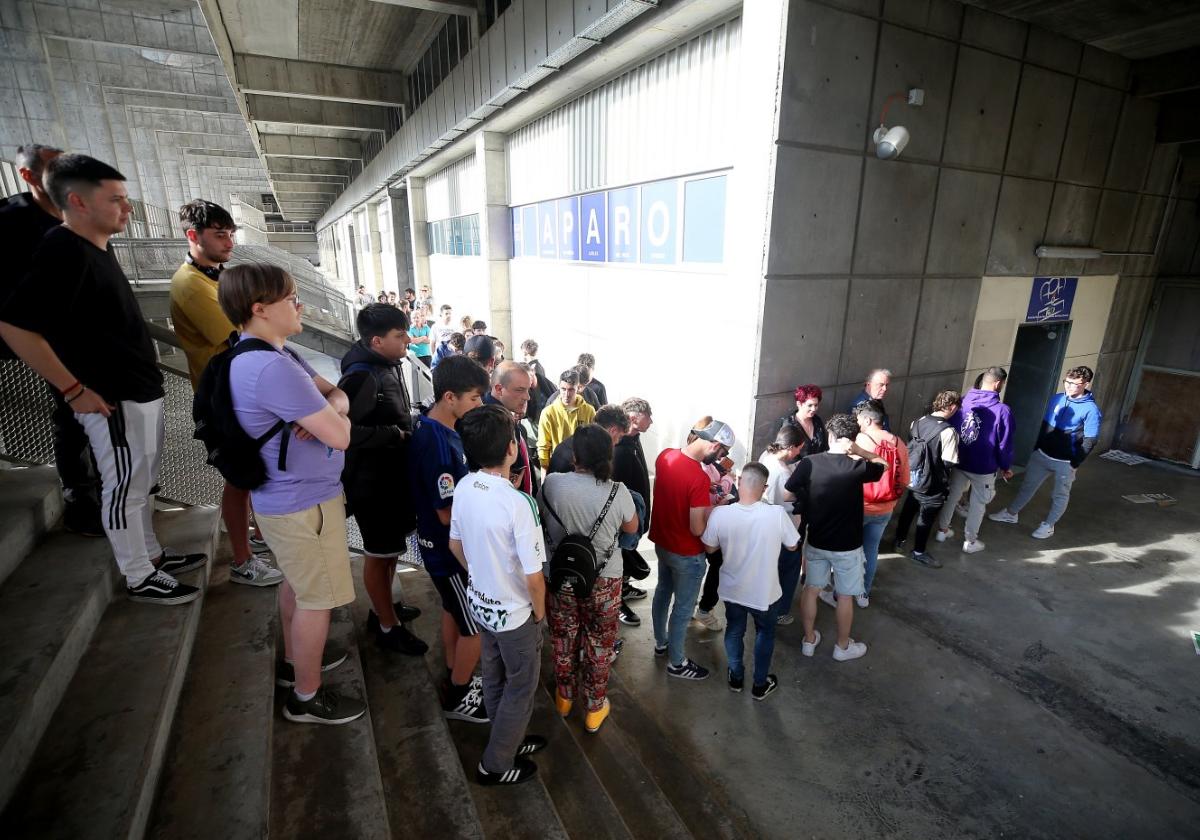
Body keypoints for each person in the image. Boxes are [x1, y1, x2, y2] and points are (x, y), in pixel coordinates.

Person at [0, 154, 206, 605]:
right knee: (124, 488)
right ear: (78, 201)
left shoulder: (96, 246)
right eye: (115, 199)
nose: (127, 208)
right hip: (111, 398)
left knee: (143, 482)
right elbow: (15, 325)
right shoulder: (61, 250)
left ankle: (151, 554)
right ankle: (137, 575)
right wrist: (74, 390)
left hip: (139, 390)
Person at [216, 262, 360, 723]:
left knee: (298, 589)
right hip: (303, 505)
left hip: (290, 500)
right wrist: (337, 418)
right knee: (317, 599)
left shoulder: (270, 352)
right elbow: (341, 437)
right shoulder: (272, 369)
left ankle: (298, 663)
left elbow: (336, 394)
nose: (300, 305)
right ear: (260, 309)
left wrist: (334, 406)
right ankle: (306, 696)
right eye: (291, 298)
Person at [170, 199, 283, 588]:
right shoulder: (191, 284)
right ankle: (241, 560)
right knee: (240, 478)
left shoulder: (214, 276)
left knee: (246, 477)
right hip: (223, 399)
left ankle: (252, 537)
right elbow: (240, 334)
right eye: (220, 234)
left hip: (236, 392)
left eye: (231, 234)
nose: (229, 242)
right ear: (193, 236)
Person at [0, 144, 105, 537]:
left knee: (97, 417)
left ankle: (105, 492)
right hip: (43, 339)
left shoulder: (76, 213)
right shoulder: (11, 221)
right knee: (72, 418)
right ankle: (80, 501)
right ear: (29, 177)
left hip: (83, 336)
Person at [449, 405, 548, 785]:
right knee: (521, 687)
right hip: (516, 614)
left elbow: (455, 544)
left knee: (494, 675)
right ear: (512, 448)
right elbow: (534, 576)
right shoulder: (517, 501)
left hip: (480, 603)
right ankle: (496, 764)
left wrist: (482, 574)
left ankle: (507, 737)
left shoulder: (464, 486)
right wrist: (539, 614)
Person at [339, 303, 427, 656]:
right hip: (372, 484)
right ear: (377, 341)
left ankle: (384, 608)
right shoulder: (362, 376)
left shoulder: (386, 365)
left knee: (391, 551)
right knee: (378, 554)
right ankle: (387, 627)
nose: (408, 339)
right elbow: (343, 430)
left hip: (389, 479)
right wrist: (392, 434)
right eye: (399, 335)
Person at [410, 355, 491, 723]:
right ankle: (459, 694)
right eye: (474, 398)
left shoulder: (441, 427)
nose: (480, 405)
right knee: (474, 626)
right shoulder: (438, 444)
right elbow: (446, 513)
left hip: (443, 550)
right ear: (449, 397)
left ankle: (454, 668)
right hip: (448, 553)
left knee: (452, 611)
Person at [541, 424, 637, 732]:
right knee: (600, 641)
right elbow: (632, 528)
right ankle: (595, 708)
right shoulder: (617, 491)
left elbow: (540, 516)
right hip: (605, 580)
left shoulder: (552, 484)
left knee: (563, 636)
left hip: (561, 577)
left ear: (574, 456)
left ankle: (564, 697)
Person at [786, 413, 886, 662]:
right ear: (852, 439)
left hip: (817, 539)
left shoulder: (809, 463)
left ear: (830, 435)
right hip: (847, 545)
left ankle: (809, 640)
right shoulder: (858, 466)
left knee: (811, 589)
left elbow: (788, 494)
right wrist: (861, 451)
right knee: (844, 595)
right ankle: (842, 647)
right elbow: (882, 464)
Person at [702, 462, 799, 701]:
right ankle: (759, 684)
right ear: (764, 487)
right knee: (765, 634)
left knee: (734, 631)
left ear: (738, 482)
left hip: (733, 589)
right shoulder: (775, 514)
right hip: (765, 592)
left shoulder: (721, 514)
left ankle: (736, 677)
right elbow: (793, 545)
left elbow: (710, 547)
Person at [649, 419, 735, 680]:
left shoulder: (665, 456)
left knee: (662, 593)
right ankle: (677, 662)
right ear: (715, 444)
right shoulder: (698, 477)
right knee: (683, 609)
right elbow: (697, 529)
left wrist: (701, 495)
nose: (721, 458)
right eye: (722, 453)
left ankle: (661, 643)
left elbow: (670, 491)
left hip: (663, 543)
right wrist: (718, 509)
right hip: (687, 553)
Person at [989, 366, 1102, 540]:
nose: (1070, 387)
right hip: (1042, 455)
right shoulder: (1056, 398)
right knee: (1027, 486)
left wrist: (1075, 463)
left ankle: (1049, 525)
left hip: (1065, 462)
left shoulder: (1091, 409)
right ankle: (1011, 514)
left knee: (1060, 495)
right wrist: (1037, 448)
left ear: (1086, 384)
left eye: (1076, 384)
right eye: (1067, 382)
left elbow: (1090, 440)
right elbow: (1045, 426)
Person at [935, 367, 1013, 553]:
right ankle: (970, 541)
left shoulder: (963, 401)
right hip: (984, 466)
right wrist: (1005, 466)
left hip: (959, 460)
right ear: (998, 383)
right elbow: (1005, 442)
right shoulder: (1002, 410)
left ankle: (941, 530)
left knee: (952, 496)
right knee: (978, 503)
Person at [893, 390, 961, 568]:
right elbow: (948, 461)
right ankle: (918, 552)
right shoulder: (948, 431)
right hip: (933, 483)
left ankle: (899, 540)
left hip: (913, 477)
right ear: (952, 407)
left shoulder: (917, 422)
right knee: (926, 518)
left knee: (909, 508)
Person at [855, 399, 909, 605]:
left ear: (868, 420)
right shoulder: (898, 442)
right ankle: (863, 593)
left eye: (860, 419)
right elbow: (904, 480)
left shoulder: (862, 440)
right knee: (871, 549)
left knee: (850, 552)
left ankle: (840, 593)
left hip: (860, 506)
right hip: (885, 508)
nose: (858, 423)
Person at [692, 416, 738, 632]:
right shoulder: (698, 469)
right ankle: (702, 608)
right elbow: (717, 493)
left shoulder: (704, 465)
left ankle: (696, 605)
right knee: (712, 565)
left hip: (706, 525)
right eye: (723, 452)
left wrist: (723, 481)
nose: (723, 457)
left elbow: (717, 488)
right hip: (704, 527)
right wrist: (727, 483)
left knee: (710, 566)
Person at [613, 397, 654, 626]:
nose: (652, 422)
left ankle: (624, 586)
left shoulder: (633, 440)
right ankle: (617, 600)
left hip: (636, 518)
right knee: (619, 559)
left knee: (627, 557)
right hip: (626, 521)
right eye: (648, 416)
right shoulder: (619, 449)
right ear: (632, 418)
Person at [759, 425, 805, 625]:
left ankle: (763, 603)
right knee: (788, 570)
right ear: (791, 448)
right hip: (784, 529)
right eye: (798, 448)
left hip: (763, 525)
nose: (799, 452)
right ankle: (780, 611)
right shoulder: (784, 472)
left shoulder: (765, 457)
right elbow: (790, 501)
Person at [484, 361, 536, 495]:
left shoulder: (505, 417)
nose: (527, 397)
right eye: (520, 390)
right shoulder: (488, 423)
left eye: (528, 389)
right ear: (499, 389)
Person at [536, 369, 596, 469]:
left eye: (571, 389)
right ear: (558, 386)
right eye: (563, 389)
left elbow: (593, 441)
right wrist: (544, 468)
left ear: (579, 388)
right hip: (557, 465)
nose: (567, 394)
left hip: (582, 467)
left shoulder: (589, 411)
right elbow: (543, 445)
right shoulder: (548, 412)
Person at [547, 404, 628, 475]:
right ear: (613, 430)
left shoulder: (579, 439)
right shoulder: (590, 451)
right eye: (619, 437)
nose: (617, 442)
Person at [779, 384, 828, 459]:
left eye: (816, 405)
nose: (814, 409)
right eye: (810, 405)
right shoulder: (789, 425)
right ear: (799, 404)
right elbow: (789, 456)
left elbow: (824, 446)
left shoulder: (817, 420)